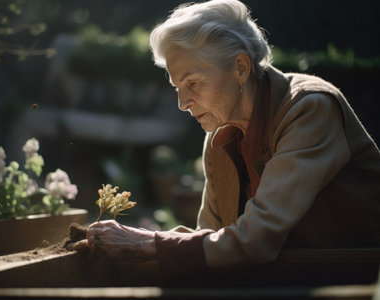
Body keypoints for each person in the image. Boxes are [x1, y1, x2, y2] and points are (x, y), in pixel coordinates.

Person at [73, 0, 380, 276]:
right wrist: (131, 241)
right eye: (177, 87)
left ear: (241, 68)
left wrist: (149, 243)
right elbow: (213, 242)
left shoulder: (309, 109)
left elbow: (255, 241)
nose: (183, 103)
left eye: (192, 82)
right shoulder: (220, 140)